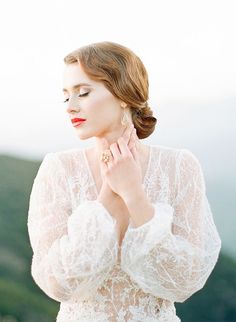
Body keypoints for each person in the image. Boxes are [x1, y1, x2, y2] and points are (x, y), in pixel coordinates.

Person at [27, 41, 221, 322]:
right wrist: (108, 192)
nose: (70, 106)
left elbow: (184, 281)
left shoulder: (179, 167)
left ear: (124, 94)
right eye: (66, 96)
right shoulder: (58, 170)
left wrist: (134, 195)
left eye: (83, 92)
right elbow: (57, 283)